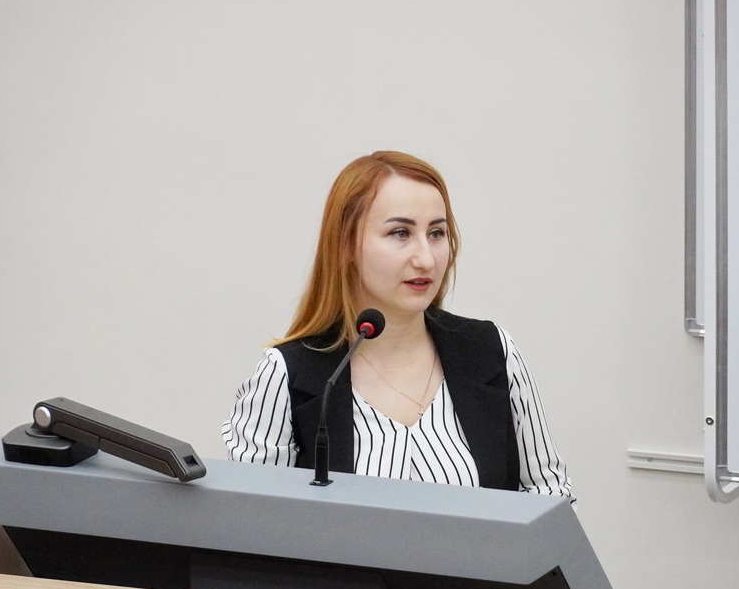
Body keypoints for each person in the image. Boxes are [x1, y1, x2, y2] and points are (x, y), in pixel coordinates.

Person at [222, 151, 573, 499]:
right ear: (345, 245)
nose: (426, 259)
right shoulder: (286, 374)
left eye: (436, 233)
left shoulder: (492, 351)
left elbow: (550, 494)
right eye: (400, 233)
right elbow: (253, 519)